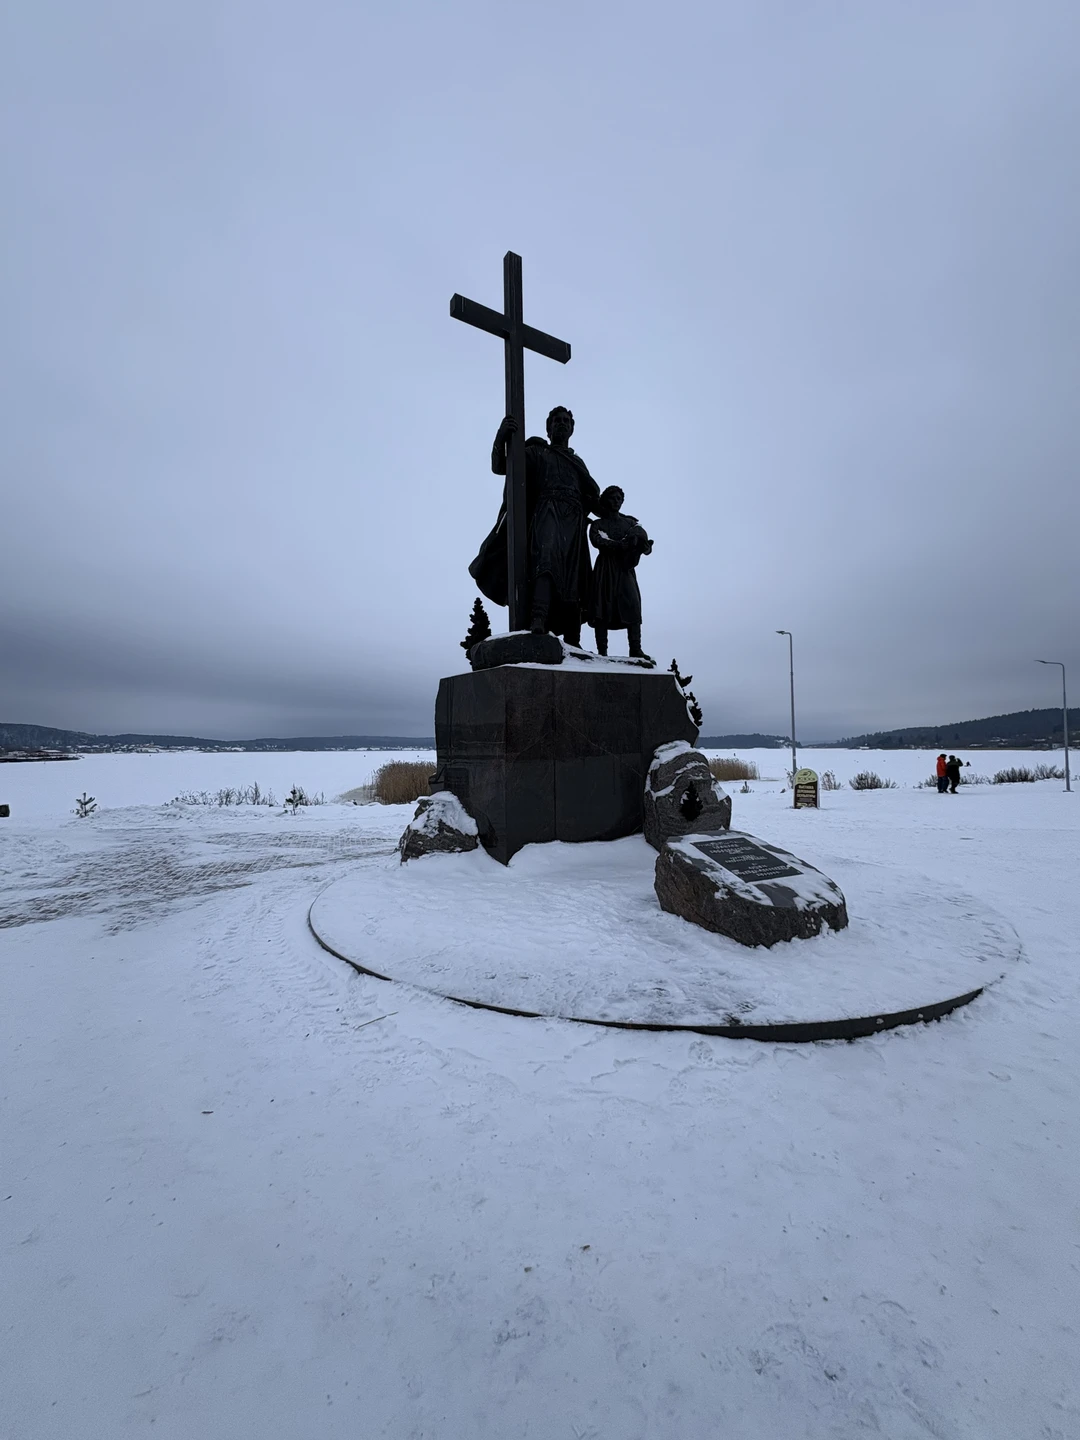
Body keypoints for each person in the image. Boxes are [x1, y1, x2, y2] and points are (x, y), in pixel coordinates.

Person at [469, 407, 601, 647]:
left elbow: (592, 496)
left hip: (574, 521)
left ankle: (573, 639)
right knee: (545, 563)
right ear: (548, 429)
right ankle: (537, 619)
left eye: (566, 421)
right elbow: (502, 466)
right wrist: (501, 436)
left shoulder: (577, 462)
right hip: (547, 512)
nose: (561, 424)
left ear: (572, 429)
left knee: (574, 579)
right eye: (556, 421)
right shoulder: (538, 452)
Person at [588, 486, 653, 658]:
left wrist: (643, 545)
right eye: (612, 498)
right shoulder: (598, 524)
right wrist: (618, 545)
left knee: (632, 604)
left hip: (625, 569)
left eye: (619, 499)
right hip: (605, 569)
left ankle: (635, 648)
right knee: (602, 607)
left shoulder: (630, 523)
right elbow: (597, 541)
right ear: (605, 500)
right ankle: (602, 652)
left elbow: (641, 535)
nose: (616, 501)